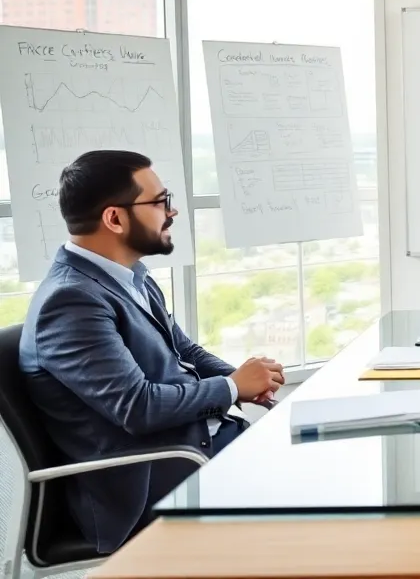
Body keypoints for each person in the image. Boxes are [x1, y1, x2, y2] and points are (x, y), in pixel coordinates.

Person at [18, 150, 284, 554]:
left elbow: (183, 349)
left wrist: (251, 383)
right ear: (115, 218)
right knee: (314, 498)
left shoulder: (130, 276)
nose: (172, 211)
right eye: (160, 202)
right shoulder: (70, 302)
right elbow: (136, 407)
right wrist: (231, 387)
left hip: (196, 446)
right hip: (149, 482)